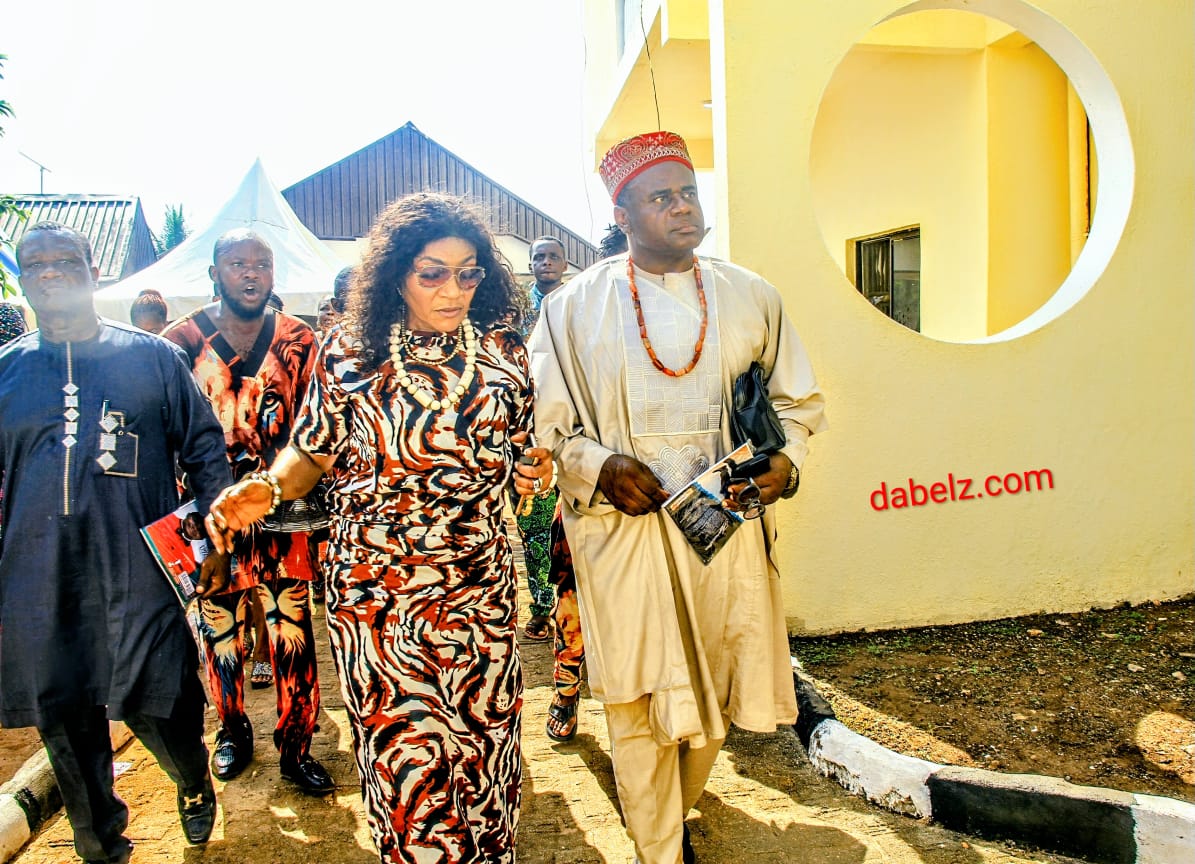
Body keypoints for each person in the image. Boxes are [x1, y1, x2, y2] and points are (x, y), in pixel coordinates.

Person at [203, 193, 554, 864]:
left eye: (469, 273)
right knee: (408, 766)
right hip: (379, 597)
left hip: (479, 589)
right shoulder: (351, 352)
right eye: (433, 273)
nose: (453, 289)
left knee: (483, 756)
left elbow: (519, 450)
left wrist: (532, 469)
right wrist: (268, 487)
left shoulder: (503, 349)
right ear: (395, 273)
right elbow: (311, 451)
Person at [528, 131, 828, 864]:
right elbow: (545, 427)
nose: (682, 207)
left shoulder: (752, 295)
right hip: (622, 533)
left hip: (725, 529)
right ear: (622, 215)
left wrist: (785, 464)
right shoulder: (570, 309)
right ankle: (659, 848)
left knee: (716, 692)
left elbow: (796, 403)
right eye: (660, 197)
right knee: (638, 696)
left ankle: (668, 816)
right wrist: (598, 464)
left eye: (688, 192)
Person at [0, 222, 232, 862]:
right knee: (64, 717)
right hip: (38, 576)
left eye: (65, 260)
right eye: (35, 264)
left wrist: (216, 538)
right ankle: (100, 843)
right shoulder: (6, 373)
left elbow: (204, 449)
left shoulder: (152, 359)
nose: (51, 272)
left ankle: (191, 777)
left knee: (161, 700)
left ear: (93, 271)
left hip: (136, 568)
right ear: (22, 279)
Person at [161, 229, 332, 795]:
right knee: (220, 632)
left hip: (286, 512)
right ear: (215, 273)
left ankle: (296, 746)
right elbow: (166, 436)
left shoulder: (300, 340)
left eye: (262, 264)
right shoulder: (179, 343)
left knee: (292, 629)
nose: (251, 273)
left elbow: (318, 431)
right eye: (238, 264)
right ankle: (232, 731)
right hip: (209, 517)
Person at [543, 225, 628, 742]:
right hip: (588, 496)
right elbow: (552, 421)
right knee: (572, 603)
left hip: (658, 504)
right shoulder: (572, 327)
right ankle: (565, 691)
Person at [511, 236, 570, 643]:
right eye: (539, 257)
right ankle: (542, 606)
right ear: (531, 264)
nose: (546, 262)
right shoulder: (514, 312)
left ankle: (575, 605)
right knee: (534, 525)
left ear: (564, 264)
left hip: (573, 431)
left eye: (553, 257)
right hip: (527, 433)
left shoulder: (577, 306)